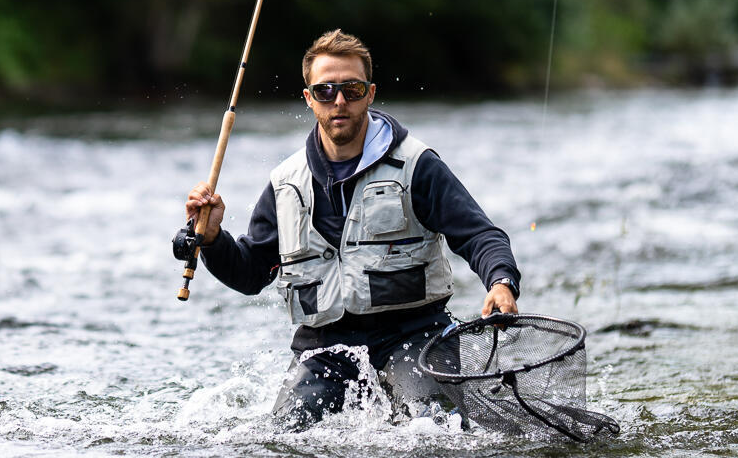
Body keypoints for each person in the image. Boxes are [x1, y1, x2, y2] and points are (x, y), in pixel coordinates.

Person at [183, 29, 520, 428]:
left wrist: (500, 282)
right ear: (309, 98)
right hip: (325, 348)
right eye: (325, 91)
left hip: (415, 335)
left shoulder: (418, 165)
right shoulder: (285, 183)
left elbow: (480, 235)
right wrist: (212, 239)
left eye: (352, 89)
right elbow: (250, 273)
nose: (339, 101)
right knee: (281, 437)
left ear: (371, 93)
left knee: (437, 430)